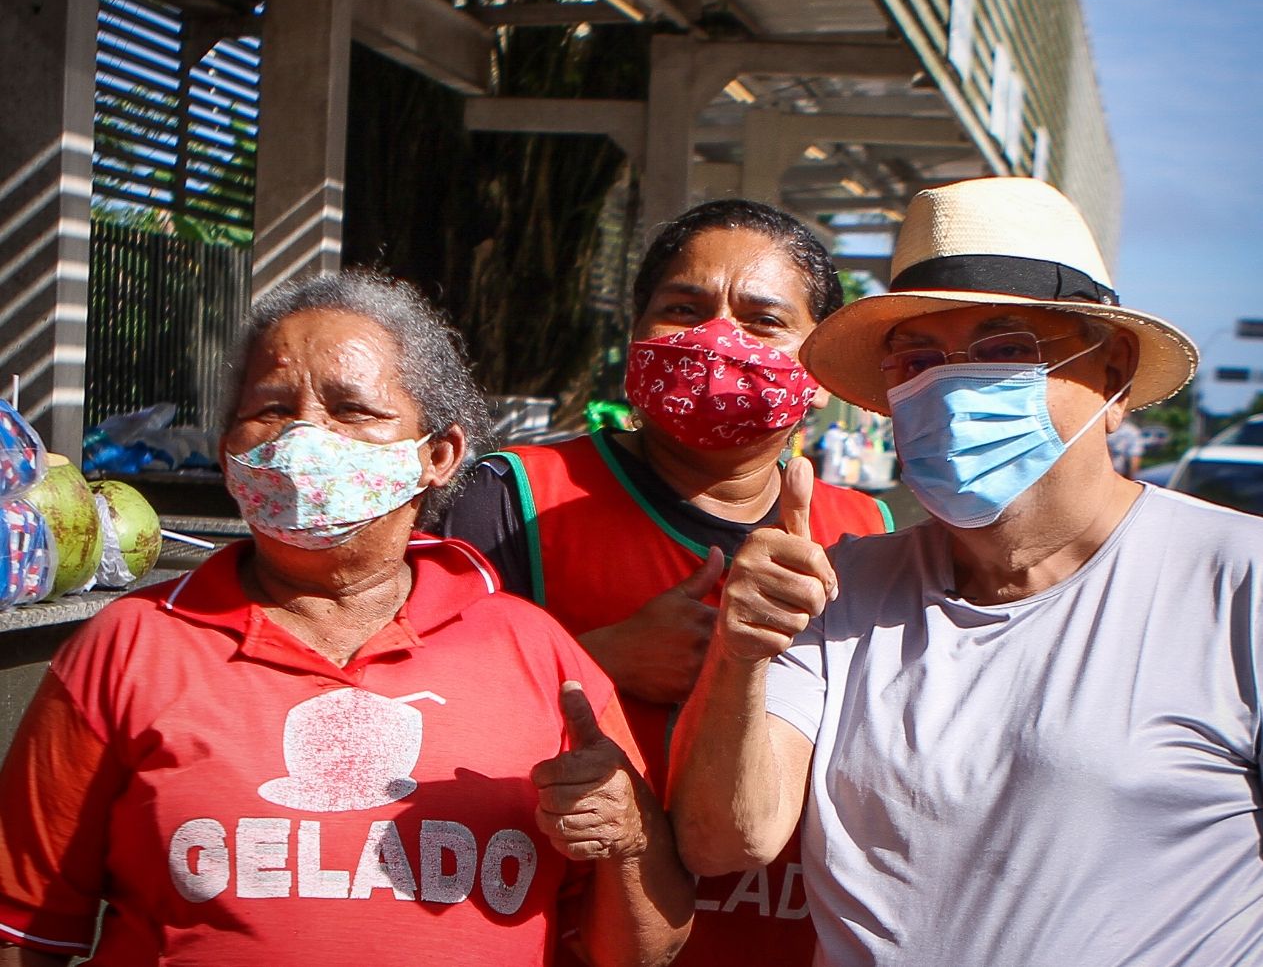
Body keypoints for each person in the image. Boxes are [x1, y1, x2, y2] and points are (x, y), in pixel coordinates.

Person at [0, 271, 692, 967]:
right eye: (270, 408)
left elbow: (647, 949)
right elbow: (22, 931)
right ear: (228, 452)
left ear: (439, 456)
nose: (304, 436)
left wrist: (627, 840)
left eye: (351, 409)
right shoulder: (130, 647)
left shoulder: (536, 655)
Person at [668, 176, 1263, 966]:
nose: (950, 388)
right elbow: (724, 841)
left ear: (1113, 371)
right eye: (916, 359)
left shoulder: (1237, 584)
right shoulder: (839, 590)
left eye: (1004, 350)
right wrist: (743, 656)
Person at [442, 199, 891, 966]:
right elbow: (420, 712)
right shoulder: (513, 496)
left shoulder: (868, 532)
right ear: (633, 339)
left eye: (761, 320)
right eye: (682, 309)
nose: (717, 339)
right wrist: (600, 662)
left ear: (818, 375)